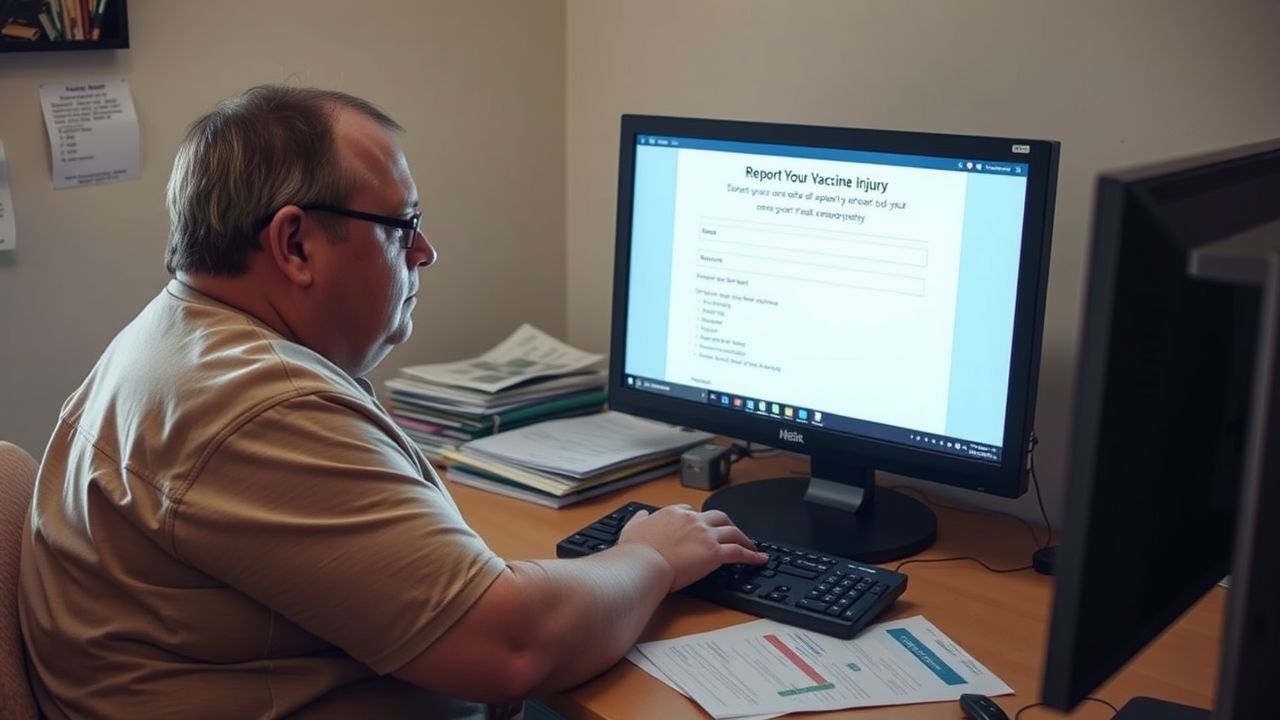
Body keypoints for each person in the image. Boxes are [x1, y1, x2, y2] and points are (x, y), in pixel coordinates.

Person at [18, 85, 766, 719]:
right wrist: (650, 558)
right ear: (295, 244)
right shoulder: (258, 404)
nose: (425, 251)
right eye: (402, 225)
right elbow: (512, 650)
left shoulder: (179, 337)